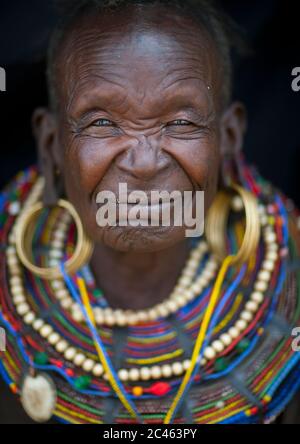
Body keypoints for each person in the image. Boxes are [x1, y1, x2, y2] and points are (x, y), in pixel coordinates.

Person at [0, 0, 300, 424]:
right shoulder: (7, 311)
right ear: (52, 146)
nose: (143, 163)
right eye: (102, 122)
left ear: (228, 138)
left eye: (180, 122)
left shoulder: (291, 291)